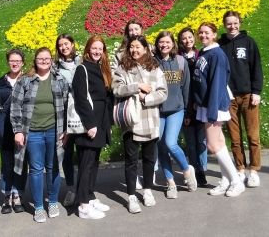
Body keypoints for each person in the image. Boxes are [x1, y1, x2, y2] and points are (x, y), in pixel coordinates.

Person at [10, 47, 68, 223]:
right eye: (40, 58)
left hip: (54, 131)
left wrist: (66, 130)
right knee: (36, 170)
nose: (44, 61)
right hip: (33, 132)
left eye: (47, 58)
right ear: (35, 60)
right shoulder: (25, 81)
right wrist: (18, 131)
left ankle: (52, 201)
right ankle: (39, 206)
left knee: (53, 167)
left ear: (51, 60)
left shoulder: (59, 79)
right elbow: (15, 106)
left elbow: (67, 107)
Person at [112, 36, 168, 214]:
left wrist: (147, 98)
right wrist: (137, 86)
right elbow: (116, 89)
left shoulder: (154, 67)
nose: (134, 50)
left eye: (138, 47)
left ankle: (148, 190)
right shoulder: (123, 67)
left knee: (150, 158)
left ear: (145, 49)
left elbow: (163, 92)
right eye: (132, 47)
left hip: (151, 119)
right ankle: (131, 196)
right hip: (131, 121)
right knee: (131, 161)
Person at [194, 22, 245, 198]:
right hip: (205, 104)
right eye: (200, 33)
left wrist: (212, 110)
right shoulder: (203, 52)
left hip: (214, 105)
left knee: (213, 145)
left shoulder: (217, 55)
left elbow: (217, 83)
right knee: (220, 142)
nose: (203, 35)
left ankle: (236, 181)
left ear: (214, 34)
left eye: (207, 33)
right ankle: (225, 180)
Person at [219, 11, 263, 187]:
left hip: (248, 96)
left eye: (235, 23)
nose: (232, 26)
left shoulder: (249, 42)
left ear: (240, 23)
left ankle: (254, 170)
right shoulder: (220, 45)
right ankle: (240, 169)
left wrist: (256, 91)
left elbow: (256, 68)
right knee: (235, 138)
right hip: (229, 97)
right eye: (229, 23)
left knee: (253, 135)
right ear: (224, 24)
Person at [72, 35, 112, 220]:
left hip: (100, 122)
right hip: (90, 123)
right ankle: (83, 205)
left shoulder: (100, 68)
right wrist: (90, 124)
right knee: (86, 164)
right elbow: (80, 99)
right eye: (94, 48)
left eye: (100, 48)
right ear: (88, 49)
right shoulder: (82, 69)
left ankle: (90, 195)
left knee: (94, 163)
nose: (97, 51)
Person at [155, 31, 197, 199]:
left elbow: (186, 87)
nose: (164, 45)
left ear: (173, 44)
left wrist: (187, 110)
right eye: (161, 42)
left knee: (170, 143)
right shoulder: (152, 62)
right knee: (160, 145)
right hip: (158, 110)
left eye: (167, 42)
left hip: (176, 109)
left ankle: (187, 170)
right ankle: (170, 182)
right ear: (157, 44)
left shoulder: (180, 61)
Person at [0, 49, 28, 214]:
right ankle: (7, 196)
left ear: (23, 63)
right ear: (8, 62)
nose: (14, 63)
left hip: (24, 128)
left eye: (18, 61)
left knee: (21, 163)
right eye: (12, 61)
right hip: (6, 129)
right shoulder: (0, 83)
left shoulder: (29, 80)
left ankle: (18, 195)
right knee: (7, 164)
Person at [177, 27, 208, 187]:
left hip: (200, 104)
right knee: (190, 142)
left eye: (190, 37)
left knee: (201, 140)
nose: (187, 40)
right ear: (180, 41)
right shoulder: (178, 59)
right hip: (186, 105)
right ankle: (195, 170)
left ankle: (202, 170)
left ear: (194, 38)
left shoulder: (201, 55)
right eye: (184, 38)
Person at [55, 33, 82, 207]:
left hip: (82, 113)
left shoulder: (82, 62)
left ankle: (85, 189)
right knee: (66, 153)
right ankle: (71, 188)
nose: (64, 47)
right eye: (60, 45)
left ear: (72, 44)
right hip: (64, 114)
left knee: (84, 152)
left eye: (66, 44)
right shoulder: (55, 67)